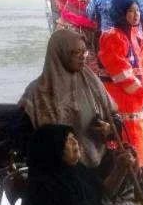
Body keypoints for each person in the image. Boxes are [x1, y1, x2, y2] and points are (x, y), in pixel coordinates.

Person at [20, 29, 118, 169]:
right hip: (60, 169)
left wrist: (110, 128)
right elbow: (30, 140)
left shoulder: (91, 81)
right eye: (75, 53)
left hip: (98, 158)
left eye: (83, 51)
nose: (82, 57)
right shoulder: (38, 92)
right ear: (59, 54)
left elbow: (114, 115)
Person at [98, 0, 143, 198]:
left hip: (136, 100)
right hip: (122, 100)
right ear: (120, 14)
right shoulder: (112, 37)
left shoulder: (134, 34)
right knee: (127, 143)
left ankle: (140, 186)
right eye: (131, 11)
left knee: (139, 141)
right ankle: (129, 188)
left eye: (137, 11)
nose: (136, 15)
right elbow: (122, 75)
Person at [57, 0, 114, 72]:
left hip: (83, 32)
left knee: (89, 65)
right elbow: (102, 3)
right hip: (72, 30)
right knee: (86, 67)